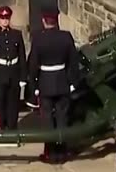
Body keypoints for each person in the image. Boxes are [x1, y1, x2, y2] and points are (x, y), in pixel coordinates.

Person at [26, 10, 80, 163]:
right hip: (62, 81)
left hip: (45, 82)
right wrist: (72, 83)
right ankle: (62, 151)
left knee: (47, 118)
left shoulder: (39, 39)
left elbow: (33, 65)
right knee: (63, 117)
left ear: (44, 21)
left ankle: (50, 152)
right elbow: (73, 62)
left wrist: (34, 85)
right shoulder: (66, 37)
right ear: (56, 21)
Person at [0, 5, 27, 131]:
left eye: (7, 18)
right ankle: (2, 126)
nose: (5, 21)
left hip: (13, 72)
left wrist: (23, 77)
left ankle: (12, 126)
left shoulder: (16, 35)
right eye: (2, 18)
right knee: (0, 102)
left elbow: (22, 57)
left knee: (13, 102)